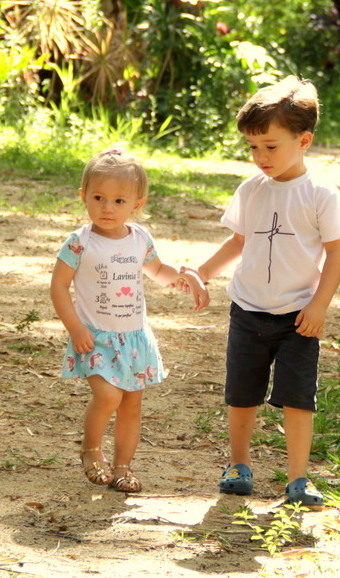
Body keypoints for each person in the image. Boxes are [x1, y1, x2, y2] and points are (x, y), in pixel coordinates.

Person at [181, 77, 340, 508]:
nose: (261, 157)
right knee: (241, 393)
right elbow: (238, 242)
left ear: (305, 140)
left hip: (298, 315)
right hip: (248, 310)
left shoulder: (321, 195)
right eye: (253, 147)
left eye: (271, 147)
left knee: (298, 398)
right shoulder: (251, 190)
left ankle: (298, 477)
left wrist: (319, 304)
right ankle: (238, 465)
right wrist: (202, 271)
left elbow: (336, 253)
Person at [51, 149, 208, 493]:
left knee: (132, 404)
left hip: (133, 338)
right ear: (84, 197)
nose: (107, 207)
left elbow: (158, 271)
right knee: (108, 396)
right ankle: (91, 450)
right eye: (98, 198)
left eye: (119, 200)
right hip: (96, 337)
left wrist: (187, 277)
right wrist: (75, 328)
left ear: (136, 204)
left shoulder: (139, 238)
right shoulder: (80, 242)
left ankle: (122, 466)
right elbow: (59, 286)